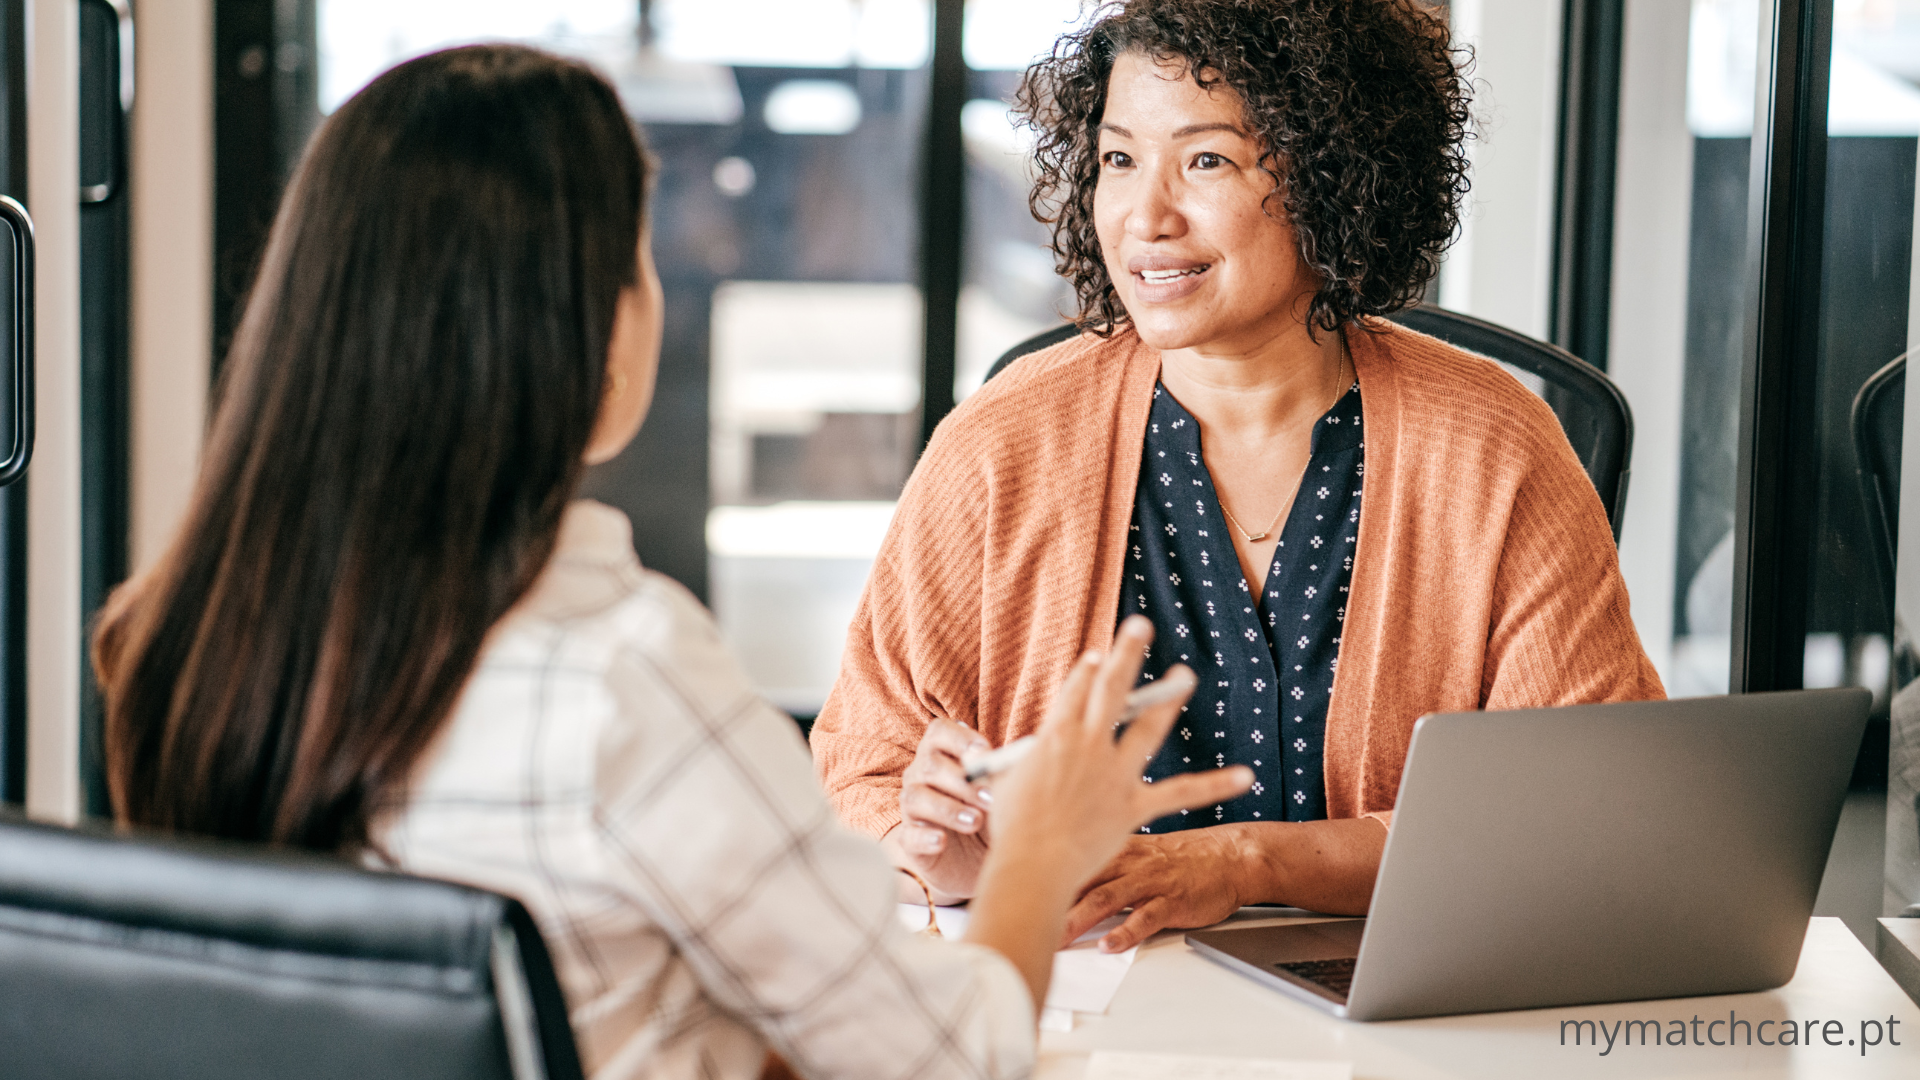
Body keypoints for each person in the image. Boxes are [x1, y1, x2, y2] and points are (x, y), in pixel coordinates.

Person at [90, 45, 1249, 1080]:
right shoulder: (621, 679)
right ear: (584, 333)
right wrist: (1040, 851)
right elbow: (952, 1060)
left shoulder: (179, 640)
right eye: (640, 261)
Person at [811, 0, 1664, 953]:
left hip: (1396, 999)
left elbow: (1583, 808)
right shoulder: (1001, 443)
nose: (1145, 216)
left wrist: (1248, 863)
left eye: (1205, 160)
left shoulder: (1493, 446)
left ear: (1333, 174)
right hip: (1083, 993)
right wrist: (945, 852)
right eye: (1119, 159)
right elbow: (864, 770)